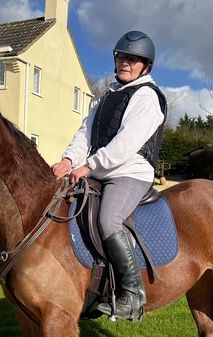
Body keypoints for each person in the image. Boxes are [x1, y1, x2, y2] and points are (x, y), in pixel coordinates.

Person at [52, 31, 167, 321]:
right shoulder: (105, 99)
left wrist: (89, 166)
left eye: (133, 59)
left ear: (146, 66)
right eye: (122, 57)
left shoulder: (147, 97)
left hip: (129, 172)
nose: (125, 63)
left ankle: (132, 295)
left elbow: (125, 144)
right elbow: (84, 134)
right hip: (99, 170)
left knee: (108, 219)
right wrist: (68, 160)